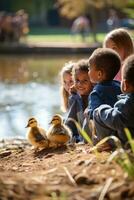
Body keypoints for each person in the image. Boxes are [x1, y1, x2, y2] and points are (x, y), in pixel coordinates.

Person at [93, 55, 134, 150]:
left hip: (128, 143)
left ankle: (107, 144)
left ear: (125, 85)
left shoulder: (129, 103)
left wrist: (102, 109)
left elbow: (115, 120)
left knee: (99, 112)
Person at [87, 48, 121, 120]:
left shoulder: (96, 93)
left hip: (105, 129)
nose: (88, 71)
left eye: (89, 68)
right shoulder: (119, 86)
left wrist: (88, 112)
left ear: (99, 74)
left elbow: (96, 114)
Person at [65, 59, 93, 142]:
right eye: (77, 80)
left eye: (85, 80)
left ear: (92, 80)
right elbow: (71, 120)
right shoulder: (74, 98)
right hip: (79, 137)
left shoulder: (95, 96)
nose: (80, 84)